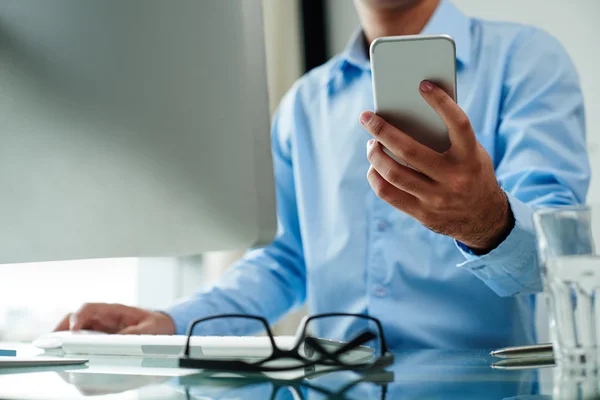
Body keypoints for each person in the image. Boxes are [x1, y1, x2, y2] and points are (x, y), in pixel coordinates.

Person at [55, 0, 590, 348]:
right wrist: (168, 323)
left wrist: (486, 223)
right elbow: (284, 261)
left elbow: (558, 259)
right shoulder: (304, 104)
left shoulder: (526, 61)